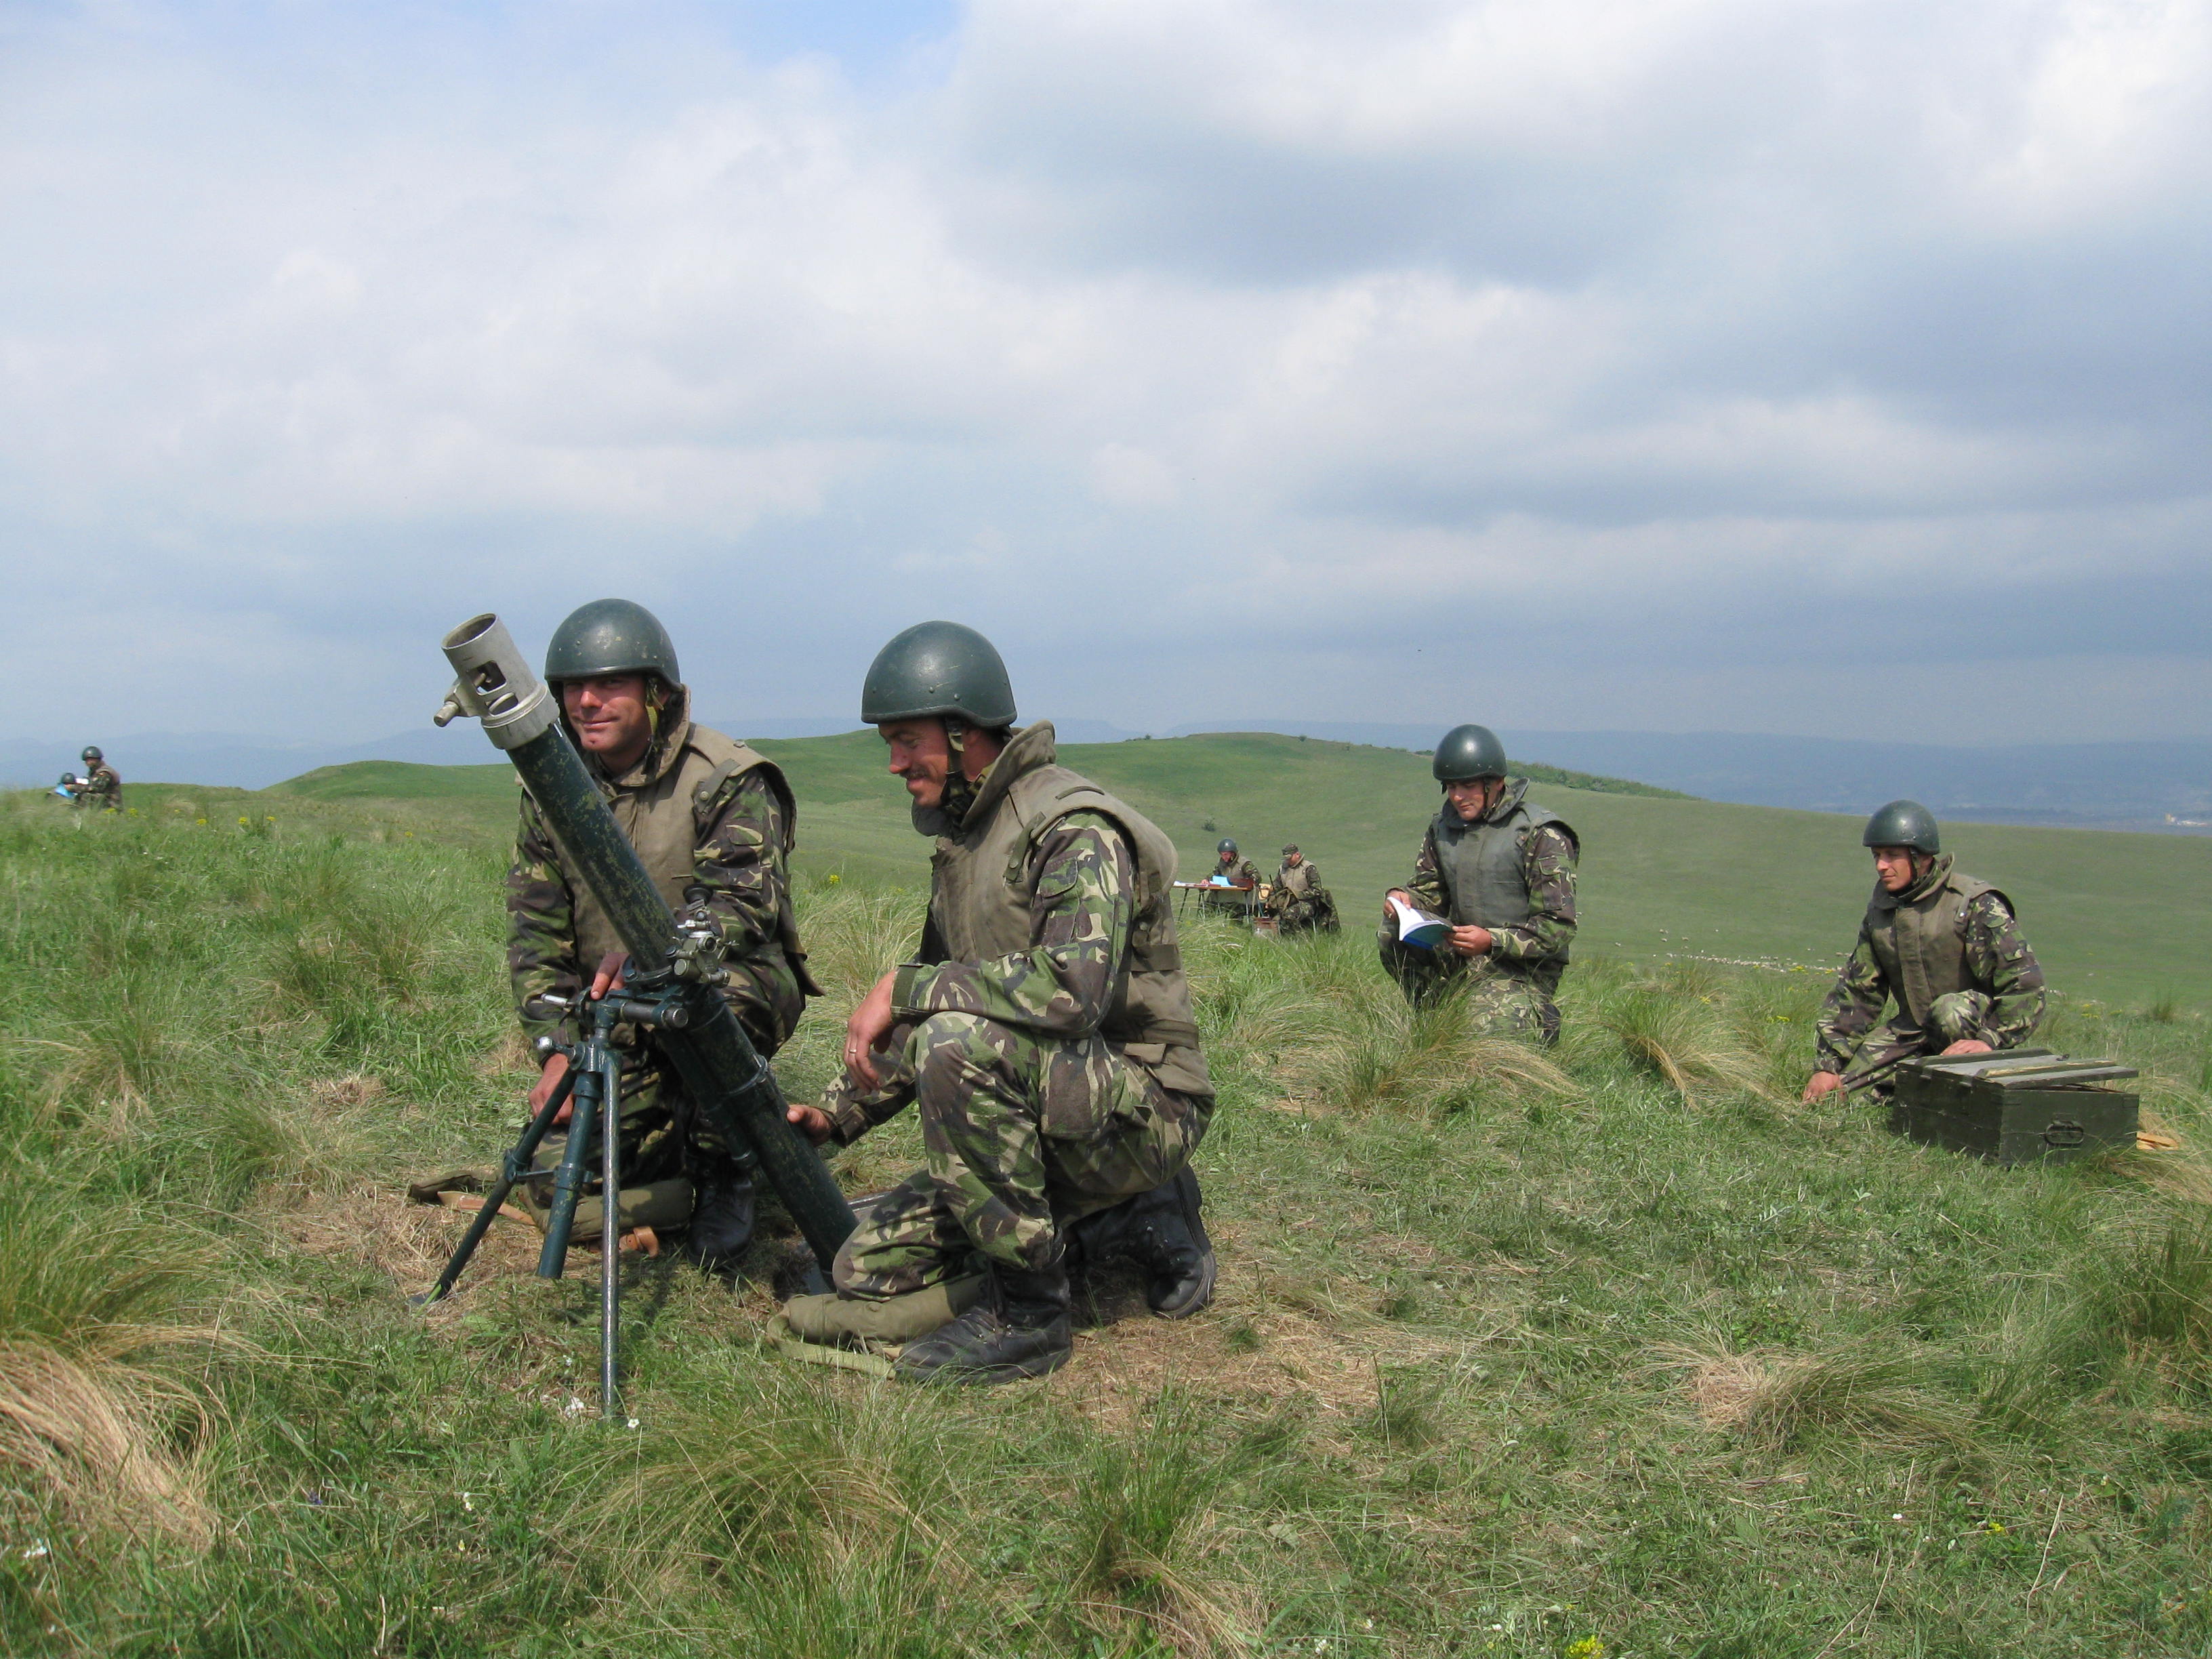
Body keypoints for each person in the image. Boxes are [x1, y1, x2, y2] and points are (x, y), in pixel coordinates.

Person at [785, 619, 1216, 1385]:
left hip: (1143, 1106)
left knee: (955, 1041)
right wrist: (836, 1115)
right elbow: (928, 1010)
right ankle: (1109, 1216)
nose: (894, 764)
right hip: (1044, 1110)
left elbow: (1074, 991)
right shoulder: (967, 844)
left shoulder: (1072, 828)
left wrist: (906, 986)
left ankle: (1030, 1317)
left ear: (964, 734)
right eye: (889, 744)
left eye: (907, 741)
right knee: (863, 1267)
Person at [505, 598, 816, 1270]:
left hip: (720, 986)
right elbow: (536, 935)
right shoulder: (552, 789)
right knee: (559, 1179)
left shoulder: (726, 777)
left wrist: (656, 955)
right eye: (573, 687)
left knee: (719, 1006)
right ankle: (684, 1139)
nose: (587, 702)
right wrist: (557, 1052)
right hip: (617, 1015)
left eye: (609, 684)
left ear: (657, 693)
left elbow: (742, 908)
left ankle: (728, 1169)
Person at [1802, 800, 2045, 1103]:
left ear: (1923, 857)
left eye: (1892, 855)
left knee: (1950, 1012)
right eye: (1877, 856)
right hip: (1911, 1032)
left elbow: (2025, 984)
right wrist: (1828, 1066)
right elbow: (1857, 992)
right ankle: (1914, 1086)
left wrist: (1989, 1040)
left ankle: (1969, 1096)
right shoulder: (1882, 912)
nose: (1881, 866)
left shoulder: (1972, 904)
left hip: (1971, 1025)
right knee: (1840, 1097)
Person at [1380, 724, 1578, 1042]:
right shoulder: (1443, 829)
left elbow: (1557, 928)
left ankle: (1539, 1020)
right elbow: (1429, 892)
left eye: (1468, 786)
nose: (1458, 797)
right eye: (1451, 787)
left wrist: (1491, 941)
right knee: (1392, 932)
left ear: (1496, 783)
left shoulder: (1541, 834)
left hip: (1522, 970)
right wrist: (1403, 899)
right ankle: (1432, 1015)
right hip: (1462, 955)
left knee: (1479, 1034)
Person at [1266, 844, 1336, 934]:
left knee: (1289, 915)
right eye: (1286, 859)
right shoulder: (1282, 869)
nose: (1288, 861)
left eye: (1290, 858)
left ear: (1297, 855)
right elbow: (1277, 887)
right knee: (1274, 918)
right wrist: (1271, 900)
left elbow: (1317, 890)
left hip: (1308, 903)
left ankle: (1300, 937)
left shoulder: (1308, 868)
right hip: (1286, 903)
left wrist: (1297, 895)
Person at [1199, 837, 1261, 918]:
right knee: (1206, 908)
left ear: (1232, 853)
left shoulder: (1244, 864)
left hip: (1241, 899)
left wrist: (1240, 883)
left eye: (1226, 854)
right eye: (1222, 855)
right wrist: (1206, 880)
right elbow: (1214, 875)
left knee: (1236, 917)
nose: (1223, 857)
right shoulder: (1222, 864)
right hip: (1225, 898)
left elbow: (1257, 878)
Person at [74, 747, 122, 811]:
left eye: (92, 760)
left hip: (111, 806)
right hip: (104, 803)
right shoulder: (95, 772)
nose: (89, 762)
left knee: (87, 796)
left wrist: (75, 788)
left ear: (98, 759)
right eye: (87, 760)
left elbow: (96, 788)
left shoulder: (105, 772)